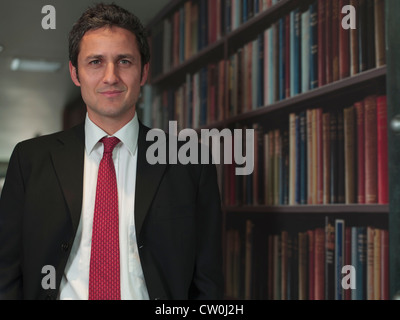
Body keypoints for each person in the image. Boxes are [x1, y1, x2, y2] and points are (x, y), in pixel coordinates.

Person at [0, 3, 223, 300]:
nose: (110, 77)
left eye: (124, 62)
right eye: (95, 62)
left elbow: (208, 280)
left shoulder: (190, 162)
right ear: (75, 72)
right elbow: (5, 272)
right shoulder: (30, 159)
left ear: (143, 72)